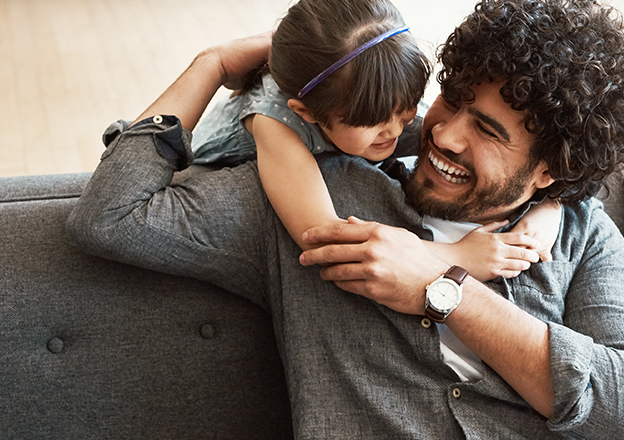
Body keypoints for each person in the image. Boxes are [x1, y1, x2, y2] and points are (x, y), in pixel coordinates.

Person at [68, 0, 624, 437]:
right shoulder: (311, 198)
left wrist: (444, 291)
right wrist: (211, 66)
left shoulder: (576, 230)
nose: (444, 133)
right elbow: (112, 216)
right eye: (453, 100)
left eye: (487, 130)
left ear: (549, 171)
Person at [192, 0, 561, 281]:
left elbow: (549, 160)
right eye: (375, 124)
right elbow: (322, 239)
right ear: (307, 113)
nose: (396, 131)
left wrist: (550, 207)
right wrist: (457, 256)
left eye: (405, 111)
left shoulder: (374, 103)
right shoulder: (278, 126)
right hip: (204, 167)